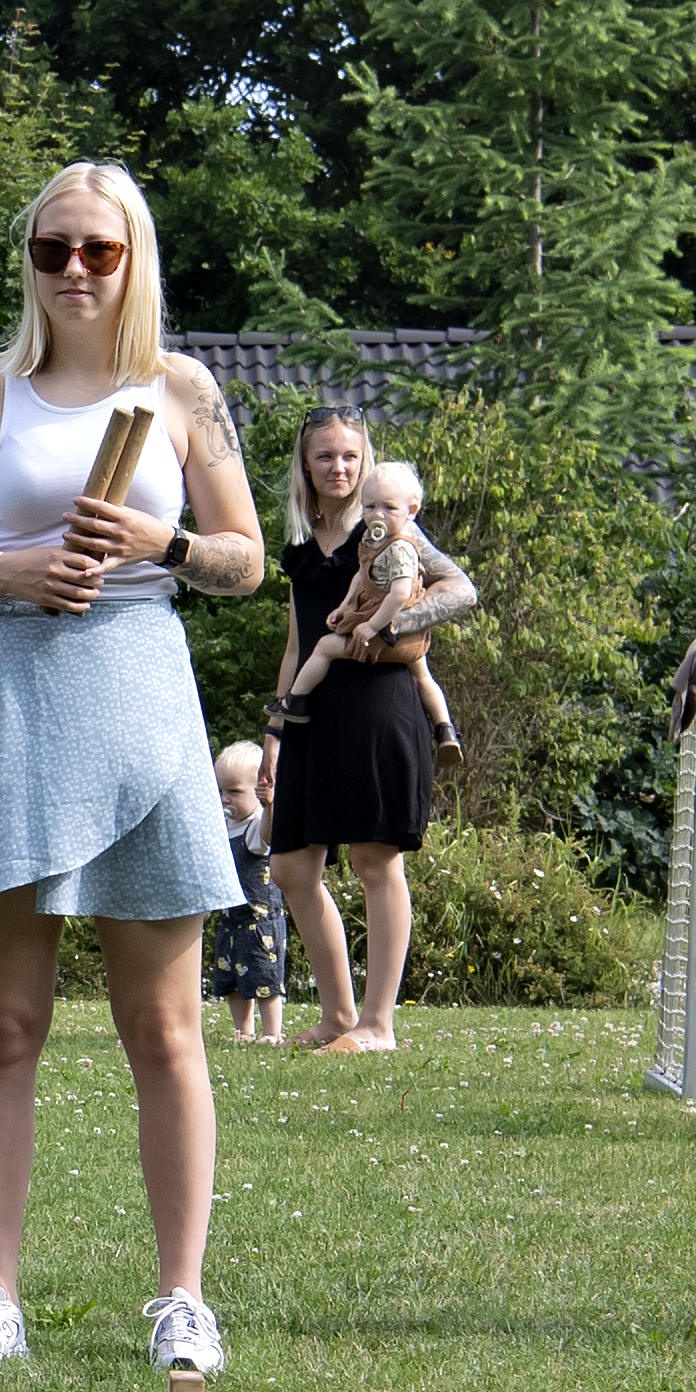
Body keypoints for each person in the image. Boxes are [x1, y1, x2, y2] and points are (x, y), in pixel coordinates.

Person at [0, 160, 270, 1376]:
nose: (71, 269)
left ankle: (180, 1299)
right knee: (0, 1025)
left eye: (97, 252)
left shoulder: (182, 390)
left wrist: (159, 541)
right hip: (14, 691)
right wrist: (14, 570)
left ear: (133, 259)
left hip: (140, 694)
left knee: (162, 1029)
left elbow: (247, 561)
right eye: (52, 247)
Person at [264, 410, 476, 1053]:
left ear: (366, 460)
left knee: (373, 859)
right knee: (290, 866)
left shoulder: (388, 527)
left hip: (381, 703)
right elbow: (300, 637)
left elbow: (460, 590)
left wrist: (391, 630)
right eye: (325, 457)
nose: (340, 468)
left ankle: (378, 1026)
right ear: (306, 465)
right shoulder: (301, 548)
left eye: (351, 456)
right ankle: (336, 1017)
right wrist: (276, 722)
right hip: (311, 712)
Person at [268, 459, 462, 761]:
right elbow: (361, 576)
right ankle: (445, 730)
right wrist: (344, 606)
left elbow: (399, 594)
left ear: (411, 512)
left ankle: (295, 702)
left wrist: (373, 627)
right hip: (401, 636)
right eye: (370, 507)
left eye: (388, 507)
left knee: (325, 647)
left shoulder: (400, 547)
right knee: (422, 676)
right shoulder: (374, 541)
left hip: (384, 631)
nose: (377, 515)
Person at [205, 738, 292, 1043]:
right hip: (231, 918)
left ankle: (272, 1032)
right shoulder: (223, 828)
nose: (225, 799)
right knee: (232, 978)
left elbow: (267, 835)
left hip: (260, 920)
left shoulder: (256, 825)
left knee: (263, 975)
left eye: (234, 792)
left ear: (257, 793)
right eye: (220, 791)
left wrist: (270, 806)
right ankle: (244, 1030)